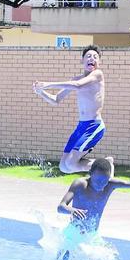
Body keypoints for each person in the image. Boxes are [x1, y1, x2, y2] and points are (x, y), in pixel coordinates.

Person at [33, 44, 111, 174]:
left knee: (71, 163)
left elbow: (78, 86)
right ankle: (104, 165)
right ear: (82, 60)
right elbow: (56, 99)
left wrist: (47, 84)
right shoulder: (75, 79)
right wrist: (40, 92)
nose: (92, 59)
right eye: (88, 56)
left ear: (99, 62)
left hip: (94, 125)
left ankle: (105, 167)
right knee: (64, 166)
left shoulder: (97, 75)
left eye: (95, 57)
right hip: (81, 126)